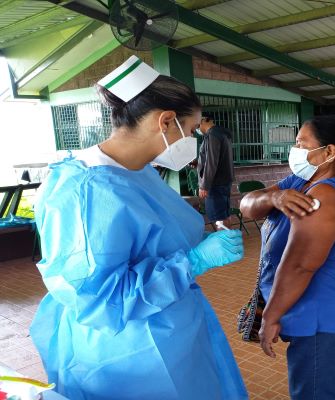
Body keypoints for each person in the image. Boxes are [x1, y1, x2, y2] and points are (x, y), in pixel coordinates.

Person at [30, 56, 247, 400]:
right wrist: (194, 261)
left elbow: (156, 237)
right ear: (165, 121)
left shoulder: (139, 170)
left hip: (171, 327)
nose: (191, 142)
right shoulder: (86, 190)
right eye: (190, 132)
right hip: (128, 352)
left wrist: (202, 242)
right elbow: (102, 298)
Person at [239, 115, 335, 399]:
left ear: (329, 152)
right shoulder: (301, 181)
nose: (295, 149)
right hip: (314, 312)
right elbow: (247, 205)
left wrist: (271, 316)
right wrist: (273, 198)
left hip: (325, 319)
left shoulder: (323, 195)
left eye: (301, 143)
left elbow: (300, 266)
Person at [197, 113, 234, 228]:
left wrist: (204, 185)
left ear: (204, 120)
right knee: (224, 215)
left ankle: (223, 243)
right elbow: (214, 159)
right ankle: (228, 242)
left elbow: (212, 162)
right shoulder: (221, 133)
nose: (197, 128)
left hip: (215, 183)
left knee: (219, 218)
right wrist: (197, 163)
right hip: (224, 181)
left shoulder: (212, 135)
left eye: (198, 124)